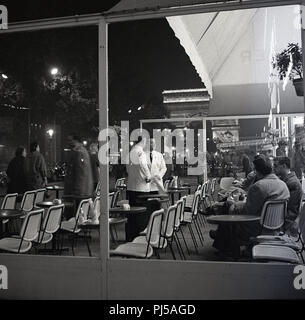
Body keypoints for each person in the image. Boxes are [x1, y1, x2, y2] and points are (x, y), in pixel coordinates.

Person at [211, 154, 290, 255]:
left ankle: (227, 250)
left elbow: (247, 213)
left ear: (257, 171)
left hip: (257, 228)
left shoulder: (258, 186)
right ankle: (222, 243)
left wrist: (234, 204)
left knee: (230, 217)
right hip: (276, 228)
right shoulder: (283, 185)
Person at [274, 157, 303, 236]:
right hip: (283, 220)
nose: (274, 168)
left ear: (283, 166)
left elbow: (291, 210)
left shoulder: (292, 183)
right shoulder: (287, 180)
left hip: (285, 224)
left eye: (275, 166)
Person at [64, 134, 93, 198]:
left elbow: (81, 173)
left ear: (76, 140)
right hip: (84, 191)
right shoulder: (83, 151)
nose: (68, 142)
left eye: (70, 140)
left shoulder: (78, 152)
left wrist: (77, 190)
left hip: (78, 193)